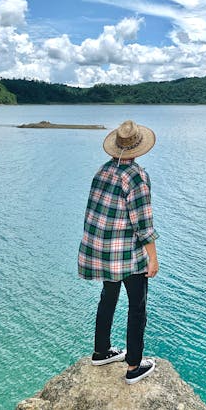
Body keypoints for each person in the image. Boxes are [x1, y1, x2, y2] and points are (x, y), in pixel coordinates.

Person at [78, 120, 159, 385]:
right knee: (137, 307)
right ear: (138, 147)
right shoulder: (135, 175)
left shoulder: (103, 170)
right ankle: (134, 366)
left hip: (103, 251)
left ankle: (101, 351)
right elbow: (143, 223)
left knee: (108, 297)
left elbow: (93, 212)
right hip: (127, 255)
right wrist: (153, 258)